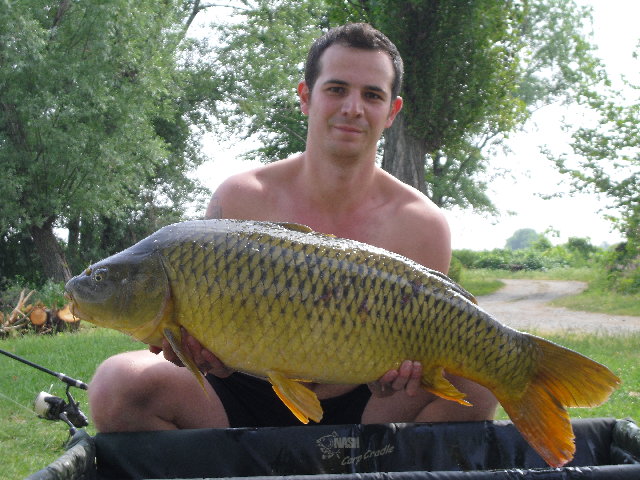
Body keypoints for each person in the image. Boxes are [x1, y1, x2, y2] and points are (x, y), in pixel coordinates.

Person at [88, 23, 497, 432]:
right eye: (337, 89)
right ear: (306, 97)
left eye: (372, 95)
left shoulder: (421, 223)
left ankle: (366, 460)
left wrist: (401, 376)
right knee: (116, 385)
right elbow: (196, 335)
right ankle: (235, 459)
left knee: (480, 385)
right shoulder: (241, 196)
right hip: (241, 391)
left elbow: (422, 352)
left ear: (392, 111)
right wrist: (201, 354)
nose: (353, 108)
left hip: (368, 403)